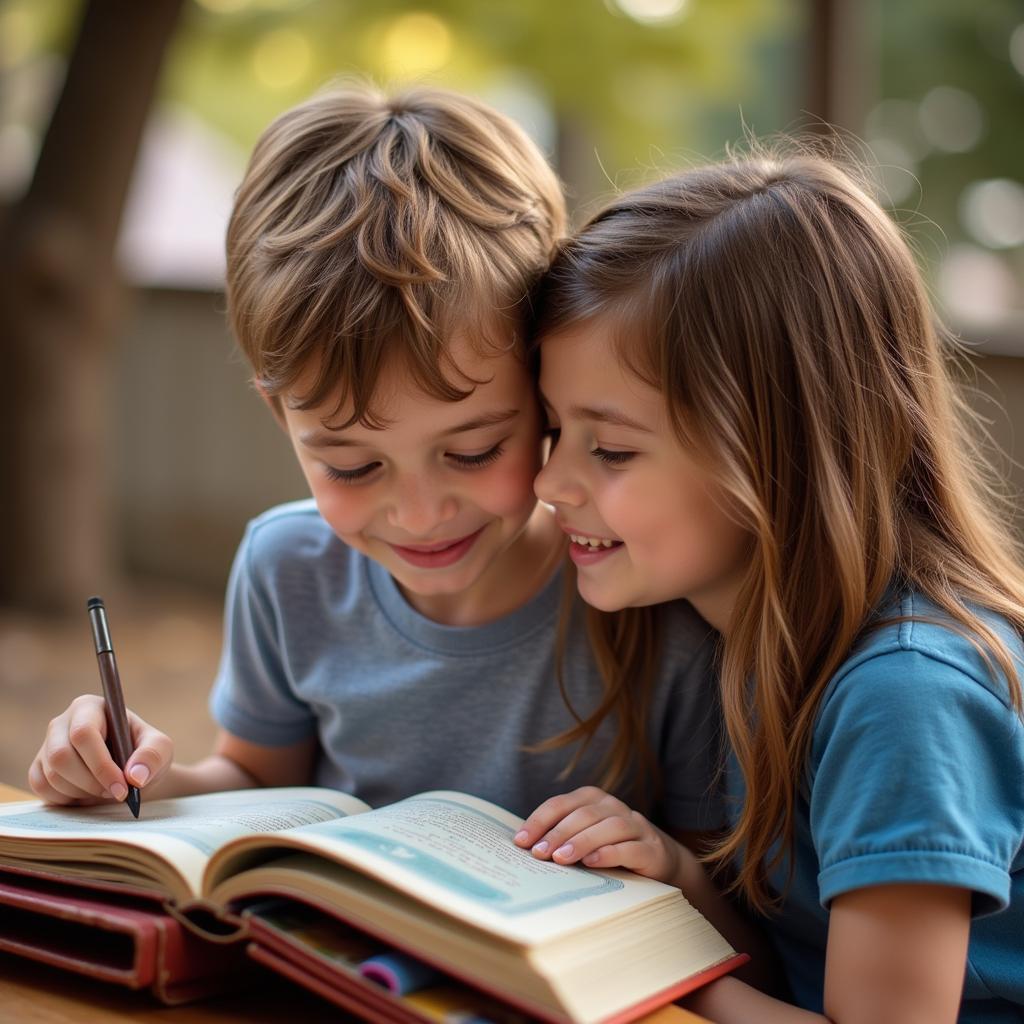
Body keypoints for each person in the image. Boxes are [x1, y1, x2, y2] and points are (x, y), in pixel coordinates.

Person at [27, 83, 724, 843]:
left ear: (543, 384)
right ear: (280, 415)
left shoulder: (643, 593)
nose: (421, 514)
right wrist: (145, 781)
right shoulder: (288, 569)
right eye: (353, 467)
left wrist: (655, 855)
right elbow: (258, 779)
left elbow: (726, 897)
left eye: (472, 450)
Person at [514, 150, 1024, 1023]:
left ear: (776, 450)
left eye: (612, 448)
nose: (549, 483)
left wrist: (637, 974)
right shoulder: (750, 638)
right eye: (553, 429)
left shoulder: (906, 696)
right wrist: (673, 879)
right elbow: (798, 967)